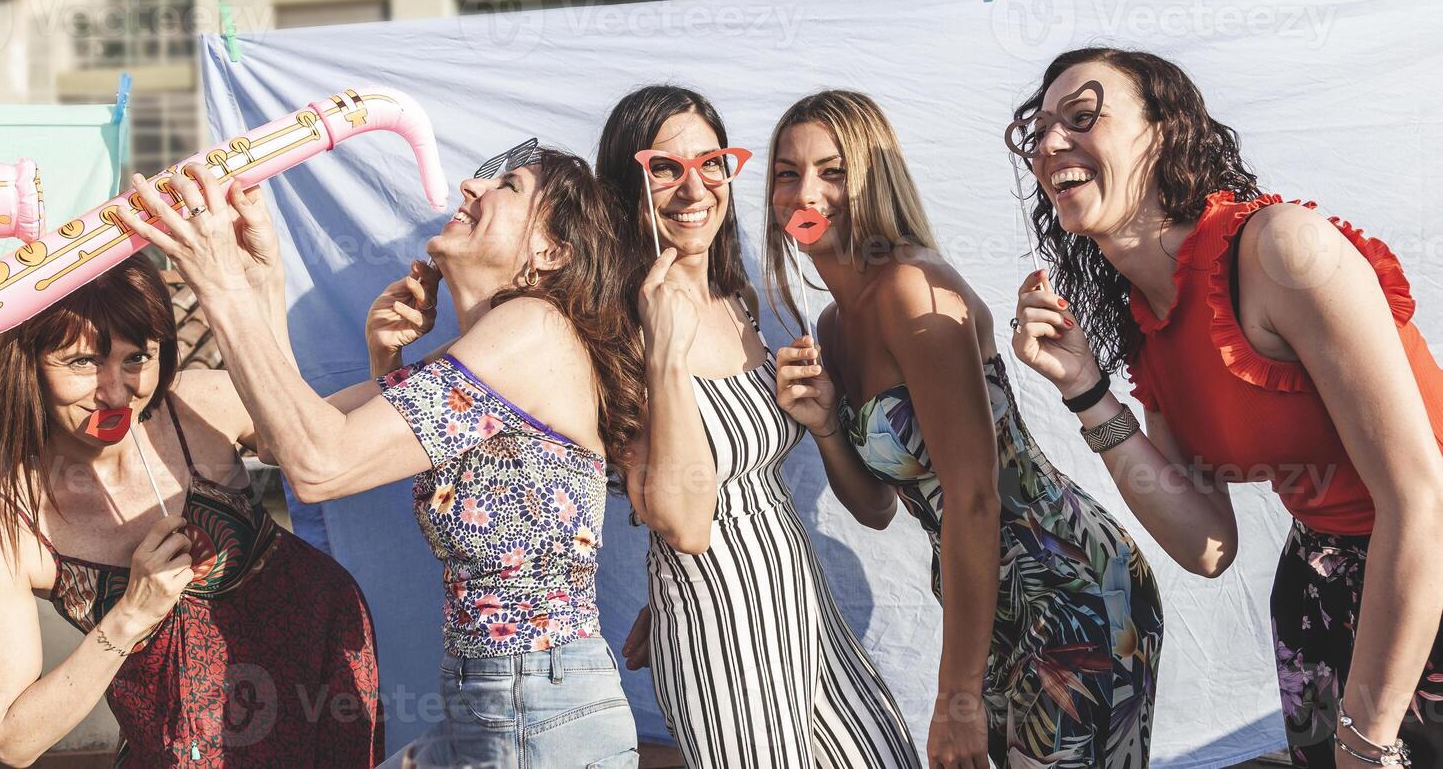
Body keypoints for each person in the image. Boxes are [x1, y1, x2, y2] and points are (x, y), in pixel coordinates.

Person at [121, 143, 644, 768]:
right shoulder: (483, 360)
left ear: (551, 251)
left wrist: (221, 285)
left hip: (538, 710)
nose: (472, 190)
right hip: (493, 701)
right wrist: (263, 280)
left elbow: (321, 465)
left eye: (508, 186)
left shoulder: (532, 328)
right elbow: (287, 438)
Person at [1006, 47, 1443, 768]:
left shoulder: (1281, 252)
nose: (1050, 144)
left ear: (1164, 133)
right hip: (1322, 595)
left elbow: (1421, 497)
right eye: (1039, 131)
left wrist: (1368, 739)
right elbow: (1206, 546)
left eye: (1081, 118)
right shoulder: (1146, 320)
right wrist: (1085, 393)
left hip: (1423, 567)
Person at [770, 90, 1164, 769]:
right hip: (985, 602)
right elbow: (872, 508)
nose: (806, 192)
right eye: (786, 172)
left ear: (872, 182)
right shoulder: (834, 325)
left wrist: (955, 697)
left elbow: (974, 497)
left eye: (832, 171)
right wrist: (825, 425)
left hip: (1067, 585)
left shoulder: (910, 289)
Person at [0, 251, 382, 767]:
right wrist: (131, 615)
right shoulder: (1, 530)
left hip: (328, 679)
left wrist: (397, 360)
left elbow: (325, 437)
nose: (115, 393)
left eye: (137, 358)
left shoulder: (195, 406)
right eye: (83, 362)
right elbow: (13, 739)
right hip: (189, 748)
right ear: (27, 367)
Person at [597, 85, 919, 768]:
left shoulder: (734, 296)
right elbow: (682, 521)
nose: (693, 190)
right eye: (664, 167)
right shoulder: (614, 325)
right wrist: (660, 350)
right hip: (720, 621)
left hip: (796, 591)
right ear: (628, 183)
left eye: (710, 163)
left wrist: (821, 416)